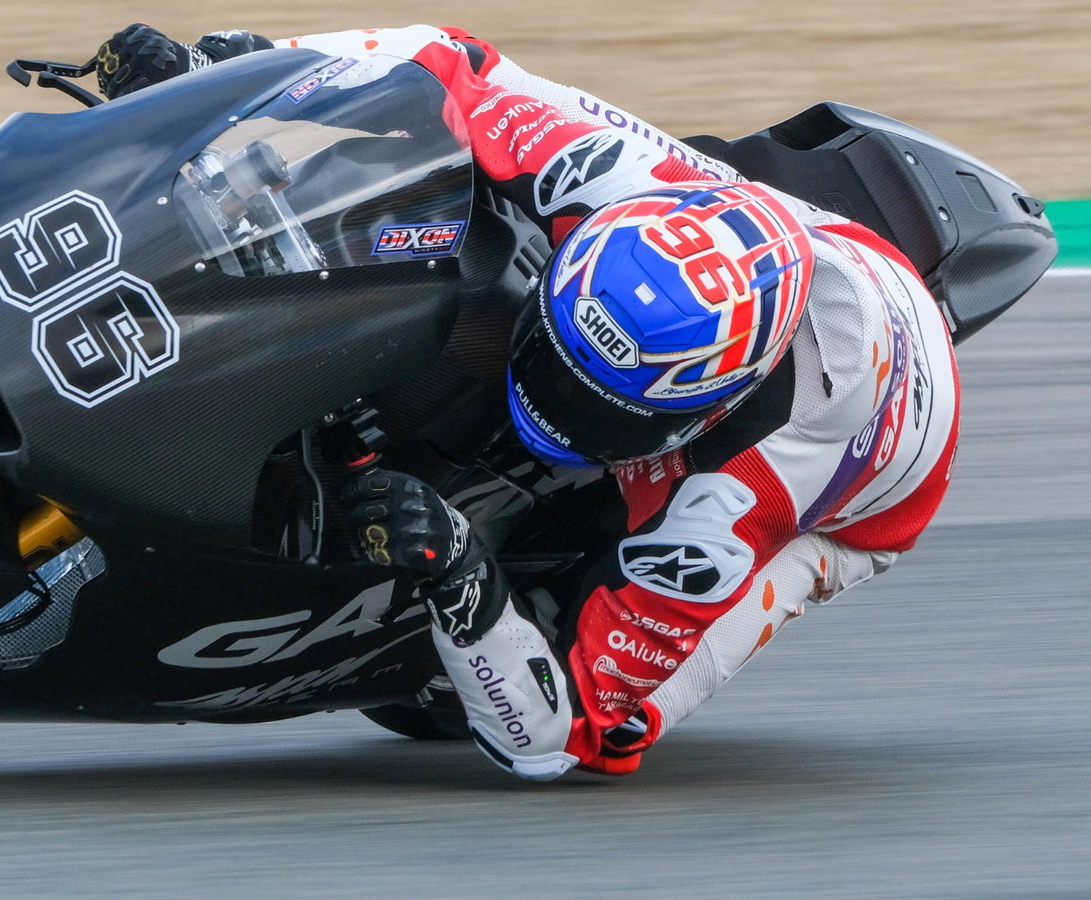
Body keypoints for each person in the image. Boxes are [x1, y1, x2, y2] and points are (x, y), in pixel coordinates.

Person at [95, 24, 961, 780]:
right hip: (788, 251)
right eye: (555, 363)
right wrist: (220, 69)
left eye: (603, 410)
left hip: (844, 511)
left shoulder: (734, 503)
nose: (545, 406)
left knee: (623, 716)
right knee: (451, 190)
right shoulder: (612, 179)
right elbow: (441, 62)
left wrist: (464, 576)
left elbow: (559, 740)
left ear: (702, 418)